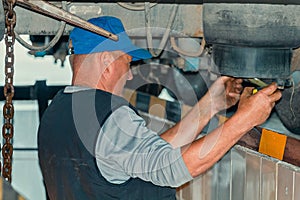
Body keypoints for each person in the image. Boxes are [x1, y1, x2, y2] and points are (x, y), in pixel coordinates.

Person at [38, 16, 282, 200]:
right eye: (128, 61)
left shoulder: (57, 113)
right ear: (106, 61)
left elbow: (150, 157)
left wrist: (211, 105)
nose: (130, 72)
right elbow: (175, 168)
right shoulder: (108, 115)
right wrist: (244, 120)